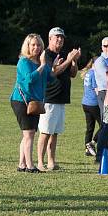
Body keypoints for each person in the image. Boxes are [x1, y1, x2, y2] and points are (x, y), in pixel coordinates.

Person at [37, 27, 81, 171]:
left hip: (61, 99)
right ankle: (39, 162)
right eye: (57, 37)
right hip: (49, 99)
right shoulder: (46, 54)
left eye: (62, 37)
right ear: (50, 39)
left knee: (54, 133)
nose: (60, 39)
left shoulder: (63, 54)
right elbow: (54, 72)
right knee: (45, 132)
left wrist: (73, 61)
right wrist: (68, 59)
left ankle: (51, 162)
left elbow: (73, 74)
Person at [10, 33, 53, 173]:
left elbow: (50, 79)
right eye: (33, 44)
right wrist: (42, 66)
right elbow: (29, 80)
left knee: (29, 133)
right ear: (27, 46)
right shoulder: (24, 62)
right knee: (29, 134)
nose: (36, 47)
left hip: (35, 103)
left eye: (39, 45)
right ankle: (30, 166)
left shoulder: (41, 62)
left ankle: (22, 164)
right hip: (21, 101)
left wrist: (53, 67)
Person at [93, 37, 108, 164]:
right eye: (106, 46)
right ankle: (100, 155)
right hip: (105, 93)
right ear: (102, 47)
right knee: (106, 124)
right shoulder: (99, 61)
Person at [80, 56, 101, 157]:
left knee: (90, 127)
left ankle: (87, 150)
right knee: (104, 125)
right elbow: (97, 90)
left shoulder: (88, 72)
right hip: (93, 103)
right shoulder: (95, 74)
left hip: (85, 103)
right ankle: (92, 143)